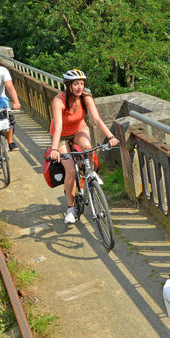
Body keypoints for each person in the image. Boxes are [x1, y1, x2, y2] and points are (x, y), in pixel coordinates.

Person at [46, 69, 119, 224]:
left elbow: (97, 120)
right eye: (76, 84)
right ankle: (71, 209)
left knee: (88, 146)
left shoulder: (86, 98)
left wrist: (111, 137)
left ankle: (92, 174)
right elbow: (58, 127)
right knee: (70, 170)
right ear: (68, 85)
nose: (79, 87)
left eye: (82, 83)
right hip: (62, 135)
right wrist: (54, 148)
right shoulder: (59, 100)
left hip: (78, 129)